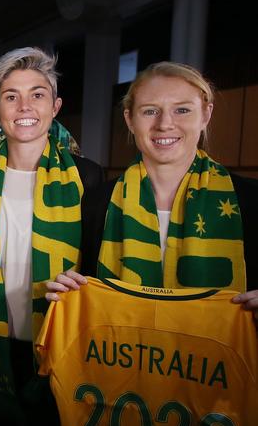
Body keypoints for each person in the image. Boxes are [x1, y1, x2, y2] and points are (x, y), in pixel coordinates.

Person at [0, 47, 103, 426]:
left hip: (60, 342)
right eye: (11, 96)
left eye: (37, 95)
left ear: (56, 106)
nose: (24, 107)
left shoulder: (89, 177)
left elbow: (101, 266)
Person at [46, 61, 258, 316]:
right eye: (149, 111)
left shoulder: (251, 201)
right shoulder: (95, 204)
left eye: (182, 110)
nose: (165, 124)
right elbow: (85, 294)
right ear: (130, 119)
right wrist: (67, 291)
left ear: (206, 115)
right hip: (122, 352)